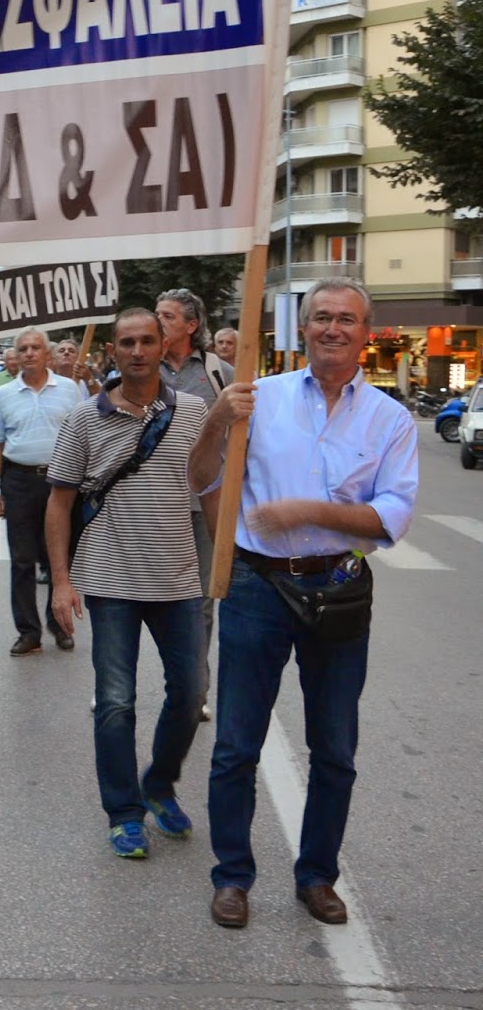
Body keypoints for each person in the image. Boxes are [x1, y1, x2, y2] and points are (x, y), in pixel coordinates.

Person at [197, 278, 417, 930]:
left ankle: (317, 876)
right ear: (303, 328)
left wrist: (312, 512)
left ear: (364, 333)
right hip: (256, 588)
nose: (332, 328)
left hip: (339, 588)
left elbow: (393, 516)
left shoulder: (391, 419)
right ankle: (232, 877)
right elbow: (199, 476)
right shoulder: (255, 399)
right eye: (321, 317)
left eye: (346, 319)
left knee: (335, 750)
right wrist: (214, 421)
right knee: (236, 745)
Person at [45, 308, 211, 860]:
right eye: (126, 343)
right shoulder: (84, 419)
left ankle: (159, 783)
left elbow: (211, 489)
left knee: (190, 694)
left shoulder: (193, 412)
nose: (137, 350)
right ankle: (124, 812)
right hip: (109, 579)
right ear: (112, 352)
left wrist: (230, 563)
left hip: (179, 578)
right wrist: (61, 583)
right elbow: (60, 501)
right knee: (115, 702)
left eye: (147, 340)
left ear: (164, 345)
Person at [156, 287, 236, 722]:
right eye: (156, 314)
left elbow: (242, 436)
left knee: (201, 602)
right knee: (131, 597)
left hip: (203, 503)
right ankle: (117, 686)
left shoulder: (218, 372)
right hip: (149, 503)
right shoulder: (139, 366)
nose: (159, 321)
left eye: (168, 316)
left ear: (191, 325)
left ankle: (194, 690)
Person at [0, 328, 84, 656]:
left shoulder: (70, 390)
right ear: (16, 356)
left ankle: (60, 626)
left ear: (47, 354)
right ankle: (28, 632)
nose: (29, 353)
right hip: (19, 481)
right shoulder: (3, 395)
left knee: (58, 558)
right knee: (22, 559)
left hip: (61, 483)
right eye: (23, 348)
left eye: (35, 348)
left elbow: (82, 437)